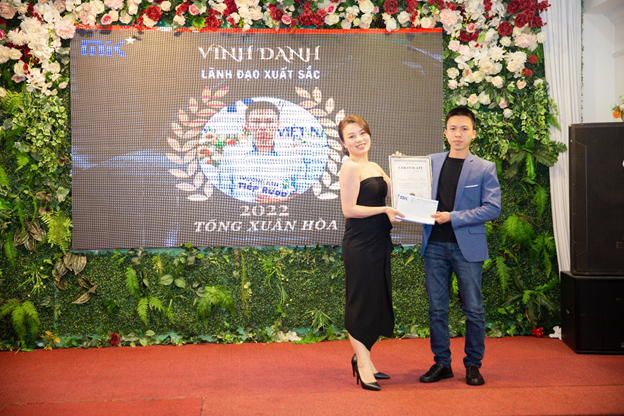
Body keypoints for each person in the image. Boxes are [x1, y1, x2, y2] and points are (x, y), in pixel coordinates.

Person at [419, 106, 501, 386]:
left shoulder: (485, 167)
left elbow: (492, 208)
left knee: (474, 309)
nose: (458, 134)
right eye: (453, 128)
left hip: (467, 248)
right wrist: (402, 168)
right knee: (436, 309)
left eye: (464, 129)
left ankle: (473, 365)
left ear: (473, 133)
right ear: (445, 132)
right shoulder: (430, 162)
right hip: (434, 246)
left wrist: (453, 217)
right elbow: (411, 189)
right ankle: (442, 363)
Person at [338, 114, 403, 392]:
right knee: (360, 303)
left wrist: (400, 169)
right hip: (360, 245)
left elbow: (395, 193)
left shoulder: (374, 166)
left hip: (379, 242)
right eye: (351, 136)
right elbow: (349, 209)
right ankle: (362, 364)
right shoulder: (350, 167)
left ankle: (365, 358)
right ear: (344, 143)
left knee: (375, 301)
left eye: (362, 133)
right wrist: (384, 210)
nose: (359, 139)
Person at [217, 100, 305, 203]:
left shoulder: (293, 156)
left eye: (269, 121)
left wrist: (279, 202)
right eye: (256, 122)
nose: (263, 127)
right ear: (247, 125)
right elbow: (223, 196)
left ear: (278, 125)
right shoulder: (231, 155)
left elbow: (302, 196)